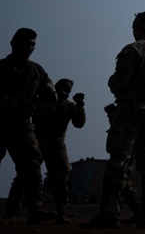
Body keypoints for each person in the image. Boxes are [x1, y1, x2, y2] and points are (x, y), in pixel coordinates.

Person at [81, 12, 145, 230]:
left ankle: (109, 213)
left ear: (137, 27)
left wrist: (118, 85)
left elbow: (118, 84)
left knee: (119, 162)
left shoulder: (132, 50)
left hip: (129, 111)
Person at [4, 78, 86, 224]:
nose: (64, 92)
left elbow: (79, 124)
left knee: (61, 177)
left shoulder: (69, 106)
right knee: (25, 174)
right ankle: (11, 213)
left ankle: (61, 213)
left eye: (67, 90)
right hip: (37, 140)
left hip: (57, 143)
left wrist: (80, 107)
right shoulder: (40, 102)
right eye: (62, 88)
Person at [0, 28, 58, 224]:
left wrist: (51, 93)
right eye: (27, 43)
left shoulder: (36, 70)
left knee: (32, 162)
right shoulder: (1, 67)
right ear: (14, 43)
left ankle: (35, 209)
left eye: (33, 44)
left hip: (22, 124)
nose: (30, 48)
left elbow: (49, 89)